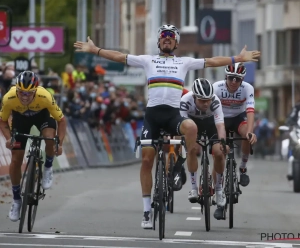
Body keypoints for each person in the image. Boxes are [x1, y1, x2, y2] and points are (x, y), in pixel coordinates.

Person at [74, 24, 260, 229]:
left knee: (191, 128)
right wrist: (95, 50)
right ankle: (147, 210)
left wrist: (238, 59)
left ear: (177, 43)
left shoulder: (184, 62)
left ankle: (187, 169)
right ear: (159, 41)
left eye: (171, 37)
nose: (167, 39)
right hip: (152, 115)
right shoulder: (148, 60)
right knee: (146, 159)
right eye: (164, 36)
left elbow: (213, 61)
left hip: (173, 115)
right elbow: (119, 57)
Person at [0, 71, 67, 222]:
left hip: (42, 115)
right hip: (20, 119)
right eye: (21, 92)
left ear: (35, 90)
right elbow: (2, 121)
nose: (24, 97)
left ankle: (48, 167)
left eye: (28, 93)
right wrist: (9, 138)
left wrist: (60, 143)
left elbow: (62, 121)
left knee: (49, 138)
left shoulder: (45, 96)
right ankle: (17, 199)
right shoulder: (9, 98)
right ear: (16, 89)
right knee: (16, 159)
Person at [180, 78, 229, 219]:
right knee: (191, 149)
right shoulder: (185, 101)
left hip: (210, 125)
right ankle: (194, 188)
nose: (206, 103)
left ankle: (219, 191)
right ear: (194, 96)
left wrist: (223, 142)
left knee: (219, 153)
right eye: (202, 100)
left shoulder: (215, 101)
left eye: (208, 99)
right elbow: (182, 127)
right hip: (192, 124)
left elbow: (220, 125)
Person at [212, 63, 257, 188]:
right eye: (231, 77)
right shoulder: (216, 87)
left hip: (238, 117)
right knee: (219, 153)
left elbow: (250, 111)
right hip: (221, 118)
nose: (233, 81)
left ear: (242, 79)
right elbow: (210, 110)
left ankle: (243, 168)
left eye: (237, 79)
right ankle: (217, 190)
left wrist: (250, 132)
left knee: (246, 135)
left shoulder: (248, 88)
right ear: (226, 77)